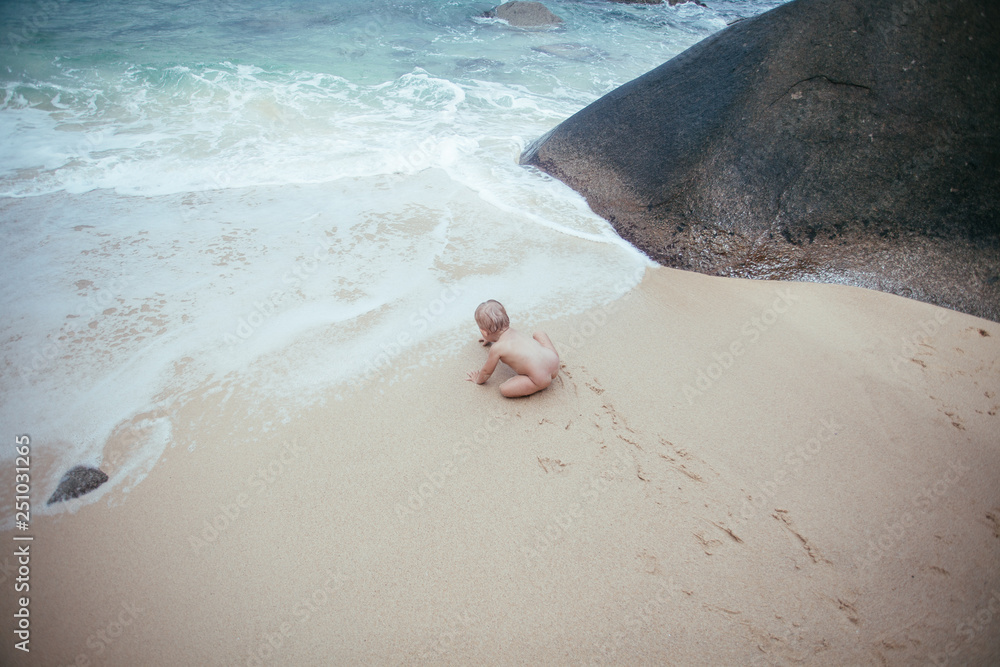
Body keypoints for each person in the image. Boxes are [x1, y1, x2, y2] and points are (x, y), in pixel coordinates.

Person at [466, 300, 559, 398]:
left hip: (540, 379)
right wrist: (489, 337)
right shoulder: (514, 332)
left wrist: (477, 379)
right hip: (554, 362)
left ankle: (536, 384)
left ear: (484, 332)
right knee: (538, 334)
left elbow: (486, 372)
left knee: (504, 389)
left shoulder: (496, 348)